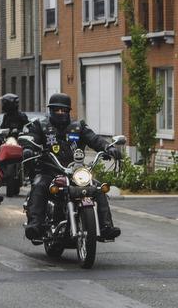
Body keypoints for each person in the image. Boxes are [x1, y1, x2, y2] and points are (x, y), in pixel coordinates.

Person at [24, 93, 123, 242]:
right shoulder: (40, 125)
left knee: (98, 188)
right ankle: (35, 226)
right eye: (57, 110)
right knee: (39, 186)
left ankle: (106, 227)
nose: (60, 113)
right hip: (49, 170)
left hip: (75, 171)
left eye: (64, 110)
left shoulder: (78, 126)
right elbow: (30, 138)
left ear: (69, 111)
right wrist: (28, 148)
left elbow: (94, 139)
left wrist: (108, 147)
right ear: (50, 110)